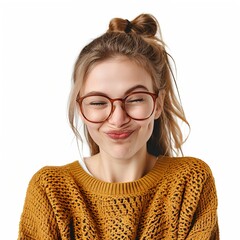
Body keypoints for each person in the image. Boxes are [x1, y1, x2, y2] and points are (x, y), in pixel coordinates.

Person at [18, 13, 219, 239]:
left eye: (135, 99)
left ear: (158, 104)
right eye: (98, 102)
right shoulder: (50, 191)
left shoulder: (190, 182)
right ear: (81, 108)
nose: (117, 118)